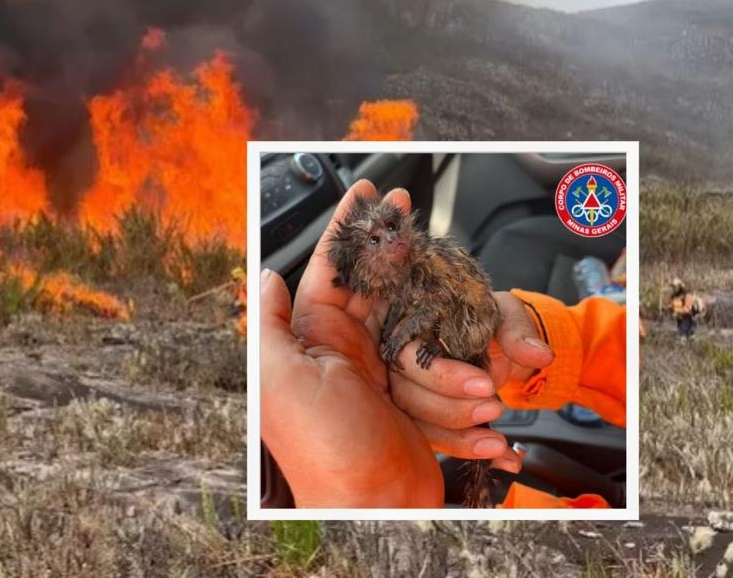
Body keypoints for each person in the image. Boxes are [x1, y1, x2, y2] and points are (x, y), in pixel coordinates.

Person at [260, 179, 626, 508]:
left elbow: (433, 305)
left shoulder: (424, 263)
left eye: (391, 228)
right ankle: (610, 291)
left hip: (464, 321)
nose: (391, 238)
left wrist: (366, 497)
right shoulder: (378, 284)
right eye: (375, 240)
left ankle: (609, 290)